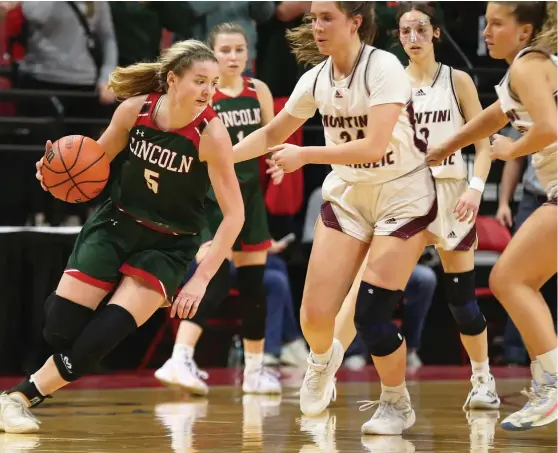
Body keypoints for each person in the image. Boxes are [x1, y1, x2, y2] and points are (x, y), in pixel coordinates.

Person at [0, 39, 245, 433]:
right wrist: (55, 173)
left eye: (213, 84)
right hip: (117, 223)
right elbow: (92, 163)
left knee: (99, 340)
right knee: (59, 329)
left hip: (168, 244)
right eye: (200, 80)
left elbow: (235, 215)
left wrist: (200, 279)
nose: (207, 92)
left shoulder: (212, 135)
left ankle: (18, 397)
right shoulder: (136, 110)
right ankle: (33, 380)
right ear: (172, 79)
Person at [235, 1, 436, 435]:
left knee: (371, 313)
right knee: (313, 318)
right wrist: (215, 159)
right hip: (350, 195)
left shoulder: (384, 67)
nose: (317, 27)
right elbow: (272, 134)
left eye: (327, 18)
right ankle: (322, 363)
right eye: (313, 18)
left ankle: (396, 403)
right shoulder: (315, 78)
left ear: (356, 22)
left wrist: (304, 155)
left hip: (402, 194)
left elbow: (374, 146)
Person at [333, 2, 501, 410]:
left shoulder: (456, 80)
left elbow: (485, 144)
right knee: (374, 297)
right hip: (406, 194)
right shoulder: (391, 84)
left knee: (462, 301)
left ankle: (483, 380)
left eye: (420, 30)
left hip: (451, 194)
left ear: (436, 33)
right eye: (405, 31)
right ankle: (335, 370)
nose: (412, 38)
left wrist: (476, 188)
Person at [427, 1, 557, 430]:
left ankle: (551, 384)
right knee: (521, 280)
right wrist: (448, 146)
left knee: (508, 279)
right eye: (487, 22)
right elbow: (495, 116)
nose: (487, 30)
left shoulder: (527, 66)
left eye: (498, 24)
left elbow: (550, 126)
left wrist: (511, 150)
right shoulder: (527, 67)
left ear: (524, 32)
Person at [155, 23, 281, 395]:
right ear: (212, 54)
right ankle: (180, 356)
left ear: (248, 53)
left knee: (254, 286)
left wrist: (275, 160)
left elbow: (271, 136)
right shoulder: (203, 95)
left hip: (250, 199)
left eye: (239, 50)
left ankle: (256, 370)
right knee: (212, 277)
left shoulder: (258, 91)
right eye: (225, 50)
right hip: (211, 200)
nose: (232, 57)